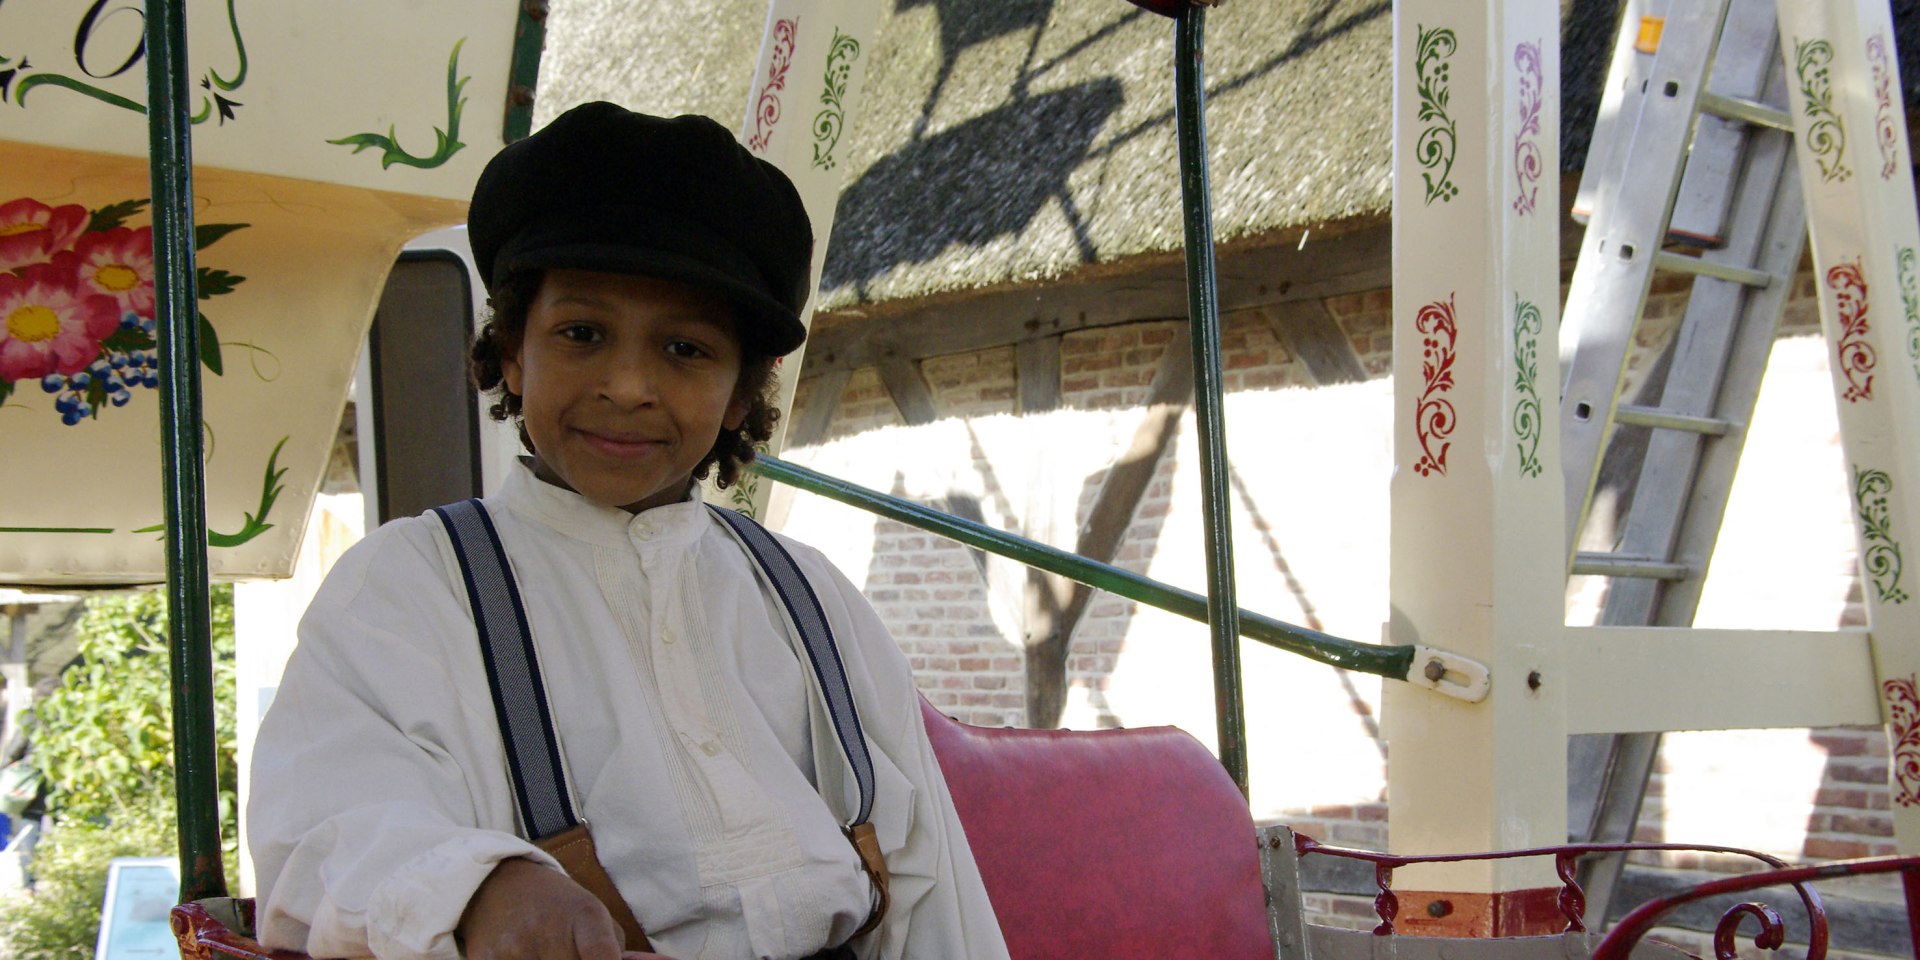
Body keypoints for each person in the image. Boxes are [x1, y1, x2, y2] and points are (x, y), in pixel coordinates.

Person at [248, 102, 1011, 960]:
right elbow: (323, 824)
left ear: (738, 393)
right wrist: (477, 886)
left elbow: (932, 889)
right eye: (582, 333)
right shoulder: (405, 588)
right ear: (510, 353)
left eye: (685, 349)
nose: (627, 385)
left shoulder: (812, 598)